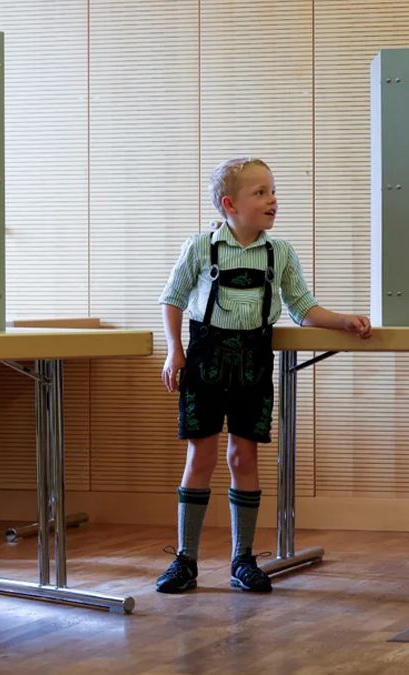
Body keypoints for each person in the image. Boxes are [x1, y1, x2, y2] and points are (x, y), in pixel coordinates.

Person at [155, 157, 372, 594]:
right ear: (229, 204)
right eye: (261, 193)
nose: (273, 200)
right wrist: (174, 351)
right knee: (201, 457)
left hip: (254, 362)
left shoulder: (281, 252)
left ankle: (242, 559)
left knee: (244, 458)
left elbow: (303, 309)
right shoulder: (200, 247)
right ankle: (186, 560)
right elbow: (172, 299)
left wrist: (345, 321)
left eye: (273, 191)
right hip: (204, 361)